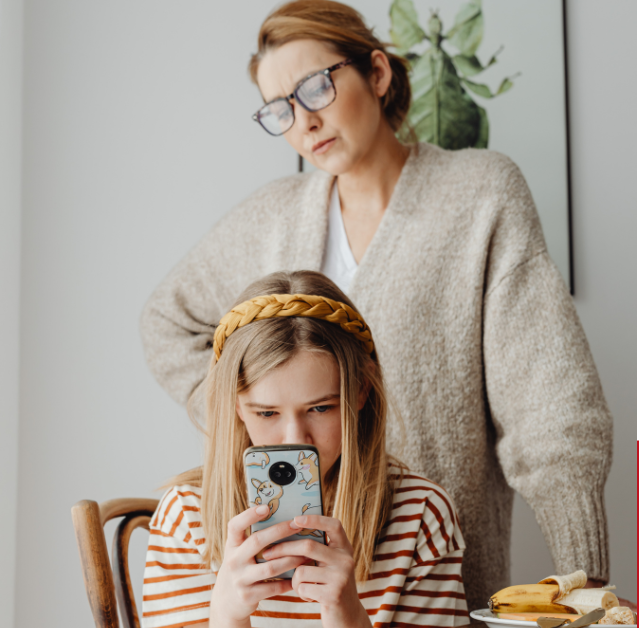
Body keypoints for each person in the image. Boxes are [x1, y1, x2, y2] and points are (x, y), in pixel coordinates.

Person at [139, 0, 614, 612]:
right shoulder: (270, 216)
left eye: (316, 87)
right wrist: (254, 420)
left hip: (431, 577)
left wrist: (584, 583)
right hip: (285, 592)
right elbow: (167, 321)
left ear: (379, 74)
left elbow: (551, 404)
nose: (304, 121)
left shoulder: (481, 195)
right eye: (280, 109)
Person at [143, 271, 467, 627]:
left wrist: (349, 617)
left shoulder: (420, 515)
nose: (294, 438)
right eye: (267, 413)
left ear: (361, 391)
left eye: (320, 408)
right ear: (236, 405)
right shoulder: (187, 518)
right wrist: (226, 618)